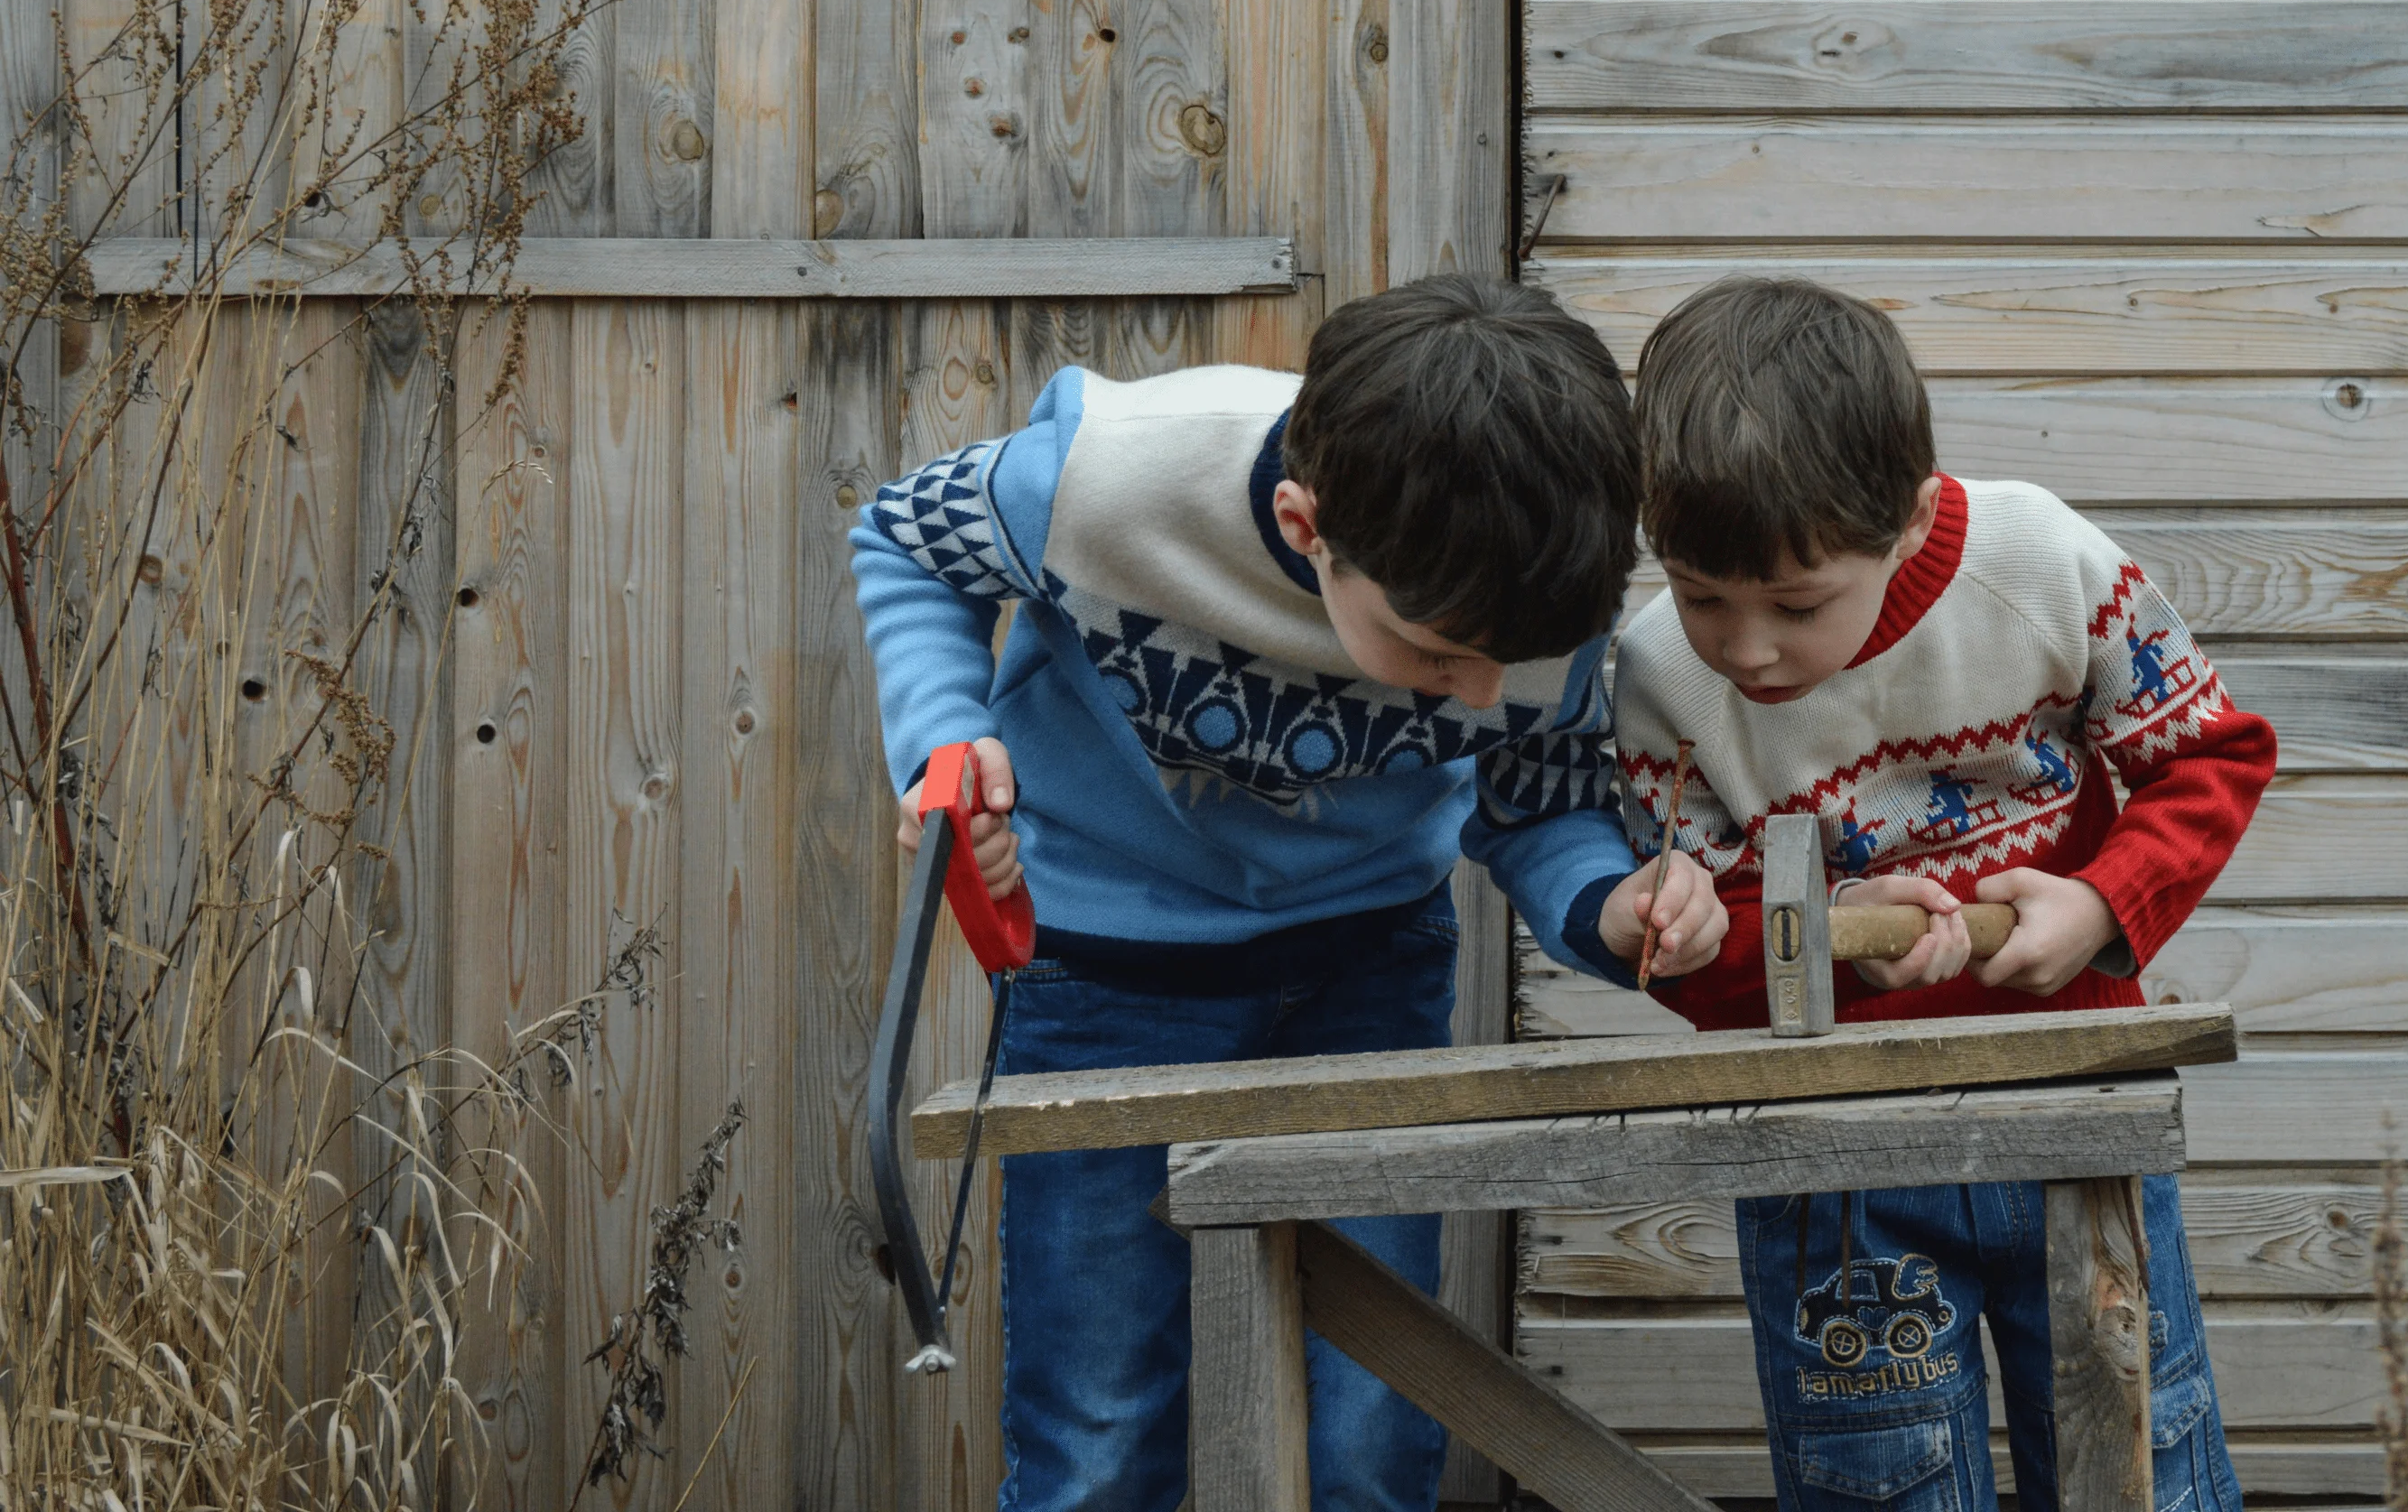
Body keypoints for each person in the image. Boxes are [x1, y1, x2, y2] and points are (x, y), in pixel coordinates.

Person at [849, 274, 1725, 1512]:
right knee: (1097, 1431)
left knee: (1377, 1424)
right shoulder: (1111, 482)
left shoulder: (1541, 592)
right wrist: (944, 740)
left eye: (1506, 666)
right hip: (1103, 977)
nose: (1478, 696)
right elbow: (900, 535)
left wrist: (1613, 910)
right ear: (1305, 525)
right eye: (1435, 654)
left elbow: (1539, 813)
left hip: (1369, 970)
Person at [1612, 276, 2275, 1511]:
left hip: (2077, 1118)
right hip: (1831, 1162)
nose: (1745, 648)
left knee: (2140, 1460)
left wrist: (2100, 907)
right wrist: (1789, 951)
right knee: (1881, 1481)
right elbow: (1699, 955)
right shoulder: (1656, 677)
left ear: (1912, 521)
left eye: (1796, 605)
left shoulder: (2037, 564)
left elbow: (2208, 758)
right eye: (1702, 595)